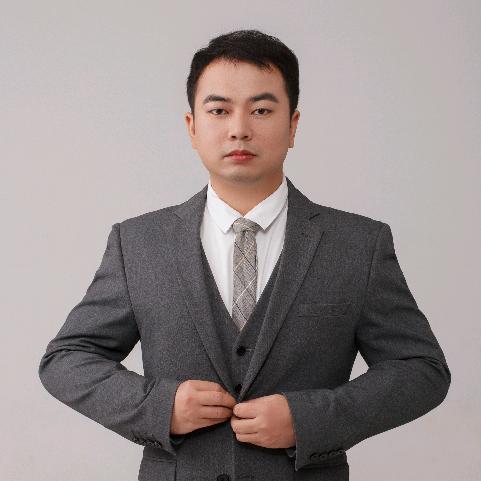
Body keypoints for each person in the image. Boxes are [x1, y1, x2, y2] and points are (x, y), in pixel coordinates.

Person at [38, 29, 451, 481]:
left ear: (293, 126)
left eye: (261, 110)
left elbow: (422, 370)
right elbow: (67, 359)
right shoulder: (138, 243)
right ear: (192, 127)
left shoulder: (357, 245)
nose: (239, 129)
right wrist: (158, 406)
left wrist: (310, 418)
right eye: (219, 110)